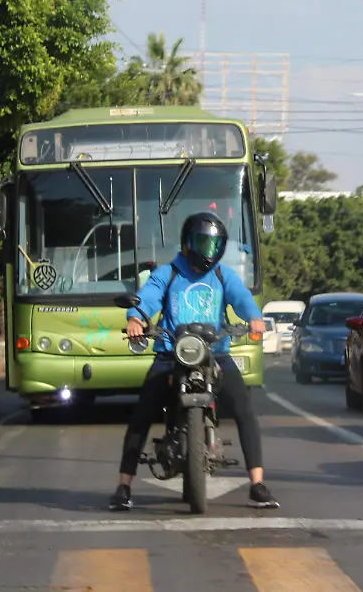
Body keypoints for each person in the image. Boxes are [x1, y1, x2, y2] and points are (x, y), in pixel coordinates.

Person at [109, 211, 278, 511]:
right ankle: (124, 485)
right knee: (142, 414)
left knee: (244, 410)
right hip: (169, 352)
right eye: (203, 243)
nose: (208, 251)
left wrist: (254, 318)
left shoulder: (223, 275)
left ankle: (257, 483)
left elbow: (241, 298)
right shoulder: (168, 273)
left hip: (215, 353)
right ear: (188, 242)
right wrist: (136, 318)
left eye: (215, 245)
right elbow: (147, 297)